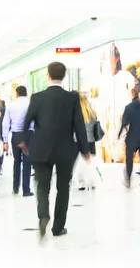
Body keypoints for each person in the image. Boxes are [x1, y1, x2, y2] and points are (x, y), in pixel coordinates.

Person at [15, 62, 90, 238]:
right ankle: (58, 227)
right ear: (64, 76)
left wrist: (22, 140)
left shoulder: (37, 97)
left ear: (48, 75)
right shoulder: (71, 99)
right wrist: (85, 150)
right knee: (63, 188)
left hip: (41, 148)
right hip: (65, 149)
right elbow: (79, 126)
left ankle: (43, 216)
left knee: (42, 186)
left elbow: (27, 121)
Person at [2, 86, 34, 196]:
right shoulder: (31, 105)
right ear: (26, 93)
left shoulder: (11, 106)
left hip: (15, 136)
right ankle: (26, 190)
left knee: (16, 162)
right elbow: (34, 122)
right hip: (28, 135)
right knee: (27, 162)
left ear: (16, 94)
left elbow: (6, 124)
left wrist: (5, 140)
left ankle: (15, 188)